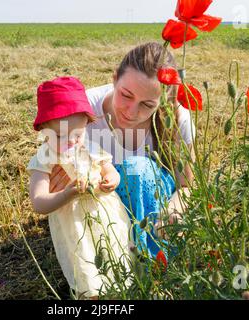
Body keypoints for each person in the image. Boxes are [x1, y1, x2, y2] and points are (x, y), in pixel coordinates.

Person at [48, 42, 196, 260]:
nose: (131, 111)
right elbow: (49, 176)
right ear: (114, 78)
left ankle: (150, 264)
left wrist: (173, 210)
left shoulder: (178, 119)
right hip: (95, 207)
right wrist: (59, 182)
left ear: (162, 101)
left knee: (136, 169)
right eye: (126, 95)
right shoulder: (80, 113)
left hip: (153, 214)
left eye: (147, 105)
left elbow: (187, 187)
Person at [27, 76, 132, 299]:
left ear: (86, 125)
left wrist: (112, 180)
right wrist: (67, 194)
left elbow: (109, 169)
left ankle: (122, 294)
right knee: (85, 267)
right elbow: (38, 202)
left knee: (116, 253)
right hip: (74, 225)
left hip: (105, 214)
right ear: (43, 129)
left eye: (77, 134)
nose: (71, 142)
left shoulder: (91, 147)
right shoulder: (44, 159)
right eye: (59, 135)